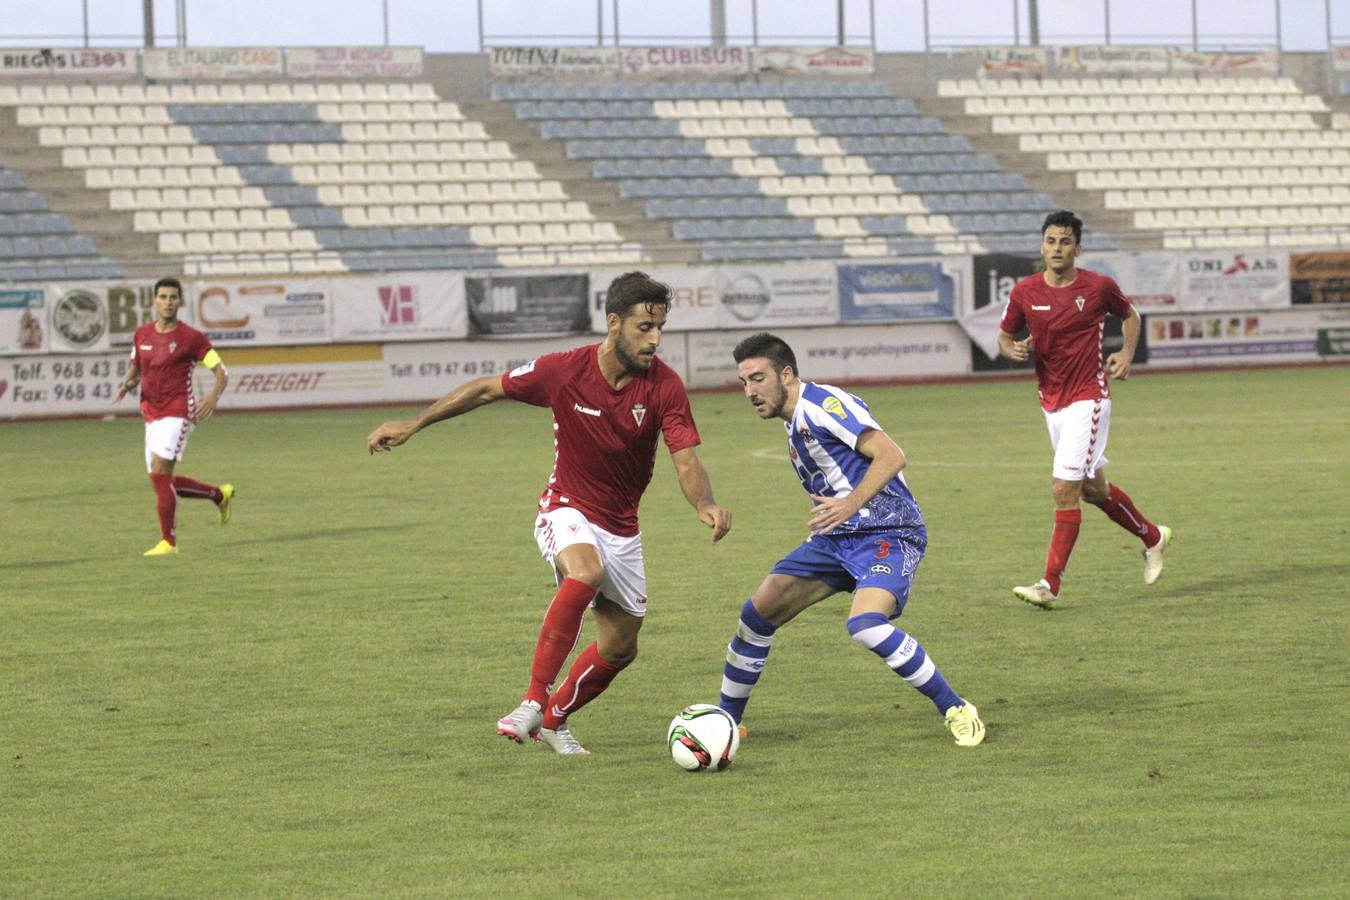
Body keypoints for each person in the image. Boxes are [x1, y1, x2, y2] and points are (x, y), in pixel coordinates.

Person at [367, 271, 732, 756]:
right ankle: (532, 702)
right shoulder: (565, 370)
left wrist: (704, 503)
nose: (655, 339)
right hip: (565, 506)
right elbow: (484, 390)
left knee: (621, 645)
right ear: (614, 322)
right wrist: (414, 424)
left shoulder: (665, 386)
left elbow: (685, 458)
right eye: (645, 328)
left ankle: (555, 720)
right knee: (585, 572)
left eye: (660, 327)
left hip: (621, 525)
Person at [717, 333, 985, 748]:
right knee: (757, 615)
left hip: (888, 533)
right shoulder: (793, 418)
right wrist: (842, 515)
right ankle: (725, 724)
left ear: (786, 374)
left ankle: (956, 708)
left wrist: (850, 504)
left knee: (865, 625)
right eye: (743, 382)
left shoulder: (824, 405)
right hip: (836, 540)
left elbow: (892, 454)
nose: (750, 392)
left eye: (758, 379)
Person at [997, 210, 1171, 608]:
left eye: (1065, 241)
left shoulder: (1097, 287)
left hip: (1089, 398)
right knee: (1093, 490)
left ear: (1078, 247)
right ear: (1042, 246)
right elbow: (1006, 337)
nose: (1057, 248)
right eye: (1051, 241)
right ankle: (1153, 537)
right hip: (1051, 402)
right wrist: (1014, 349)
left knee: (1063, 489)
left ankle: (1049, 585)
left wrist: (1126, 353)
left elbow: (1130, 314)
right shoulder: (1025, 292)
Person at [113, 276, 234, 557]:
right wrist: (126, 383)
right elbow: (136, 365)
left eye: (173, 297)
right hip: (151, 413)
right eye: (163, 297)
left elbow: (221, 371)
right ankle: (219, 494)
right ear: (154, 300)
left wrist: (213, 396)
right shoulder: (141, 334)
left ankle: (168, 542)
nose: (168, 302)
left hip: (178, 411)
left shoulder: (191, 338)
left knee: (160, 472)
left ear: (180, 301)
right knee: (161, 480)